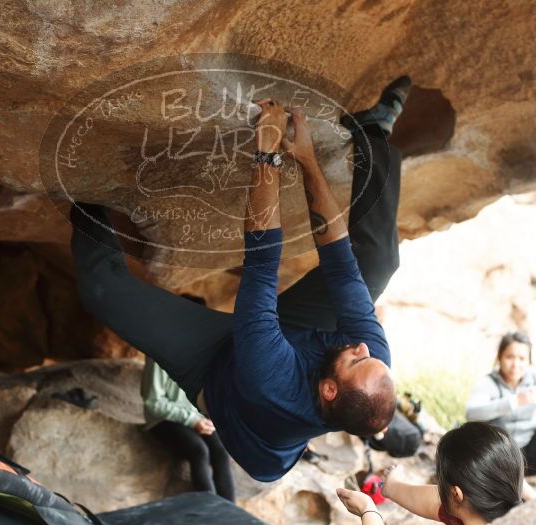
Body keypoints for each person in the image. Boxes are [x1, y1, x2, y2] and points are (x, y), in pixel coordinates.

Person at [71, 77, 411, 482]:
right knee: (377, 262)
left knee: (101, 289)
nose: (360, 345)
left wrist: (267, 153)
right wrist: (306, 160)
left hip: (217, 370)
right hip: (297, 343)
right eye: (366, 355)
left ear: (330, 391)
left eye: (357, 358)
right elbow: (340, 263)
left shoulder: (270, 379)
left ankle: (82, 195)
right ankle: (371, 131)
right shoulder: (369, 362)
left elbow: (262, 263)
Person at [338, 422, 525, 525]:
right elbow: (435, 503)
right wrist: (392, 487)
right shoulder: (509, 512)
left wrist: (368, 511)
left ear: (456, 494)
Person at [141, 299, 235, 502]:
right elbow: (153, 402)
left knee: (220, 451)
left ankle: (232, 516)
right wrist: (192, 420)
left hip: (193, 418)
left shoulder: (201, 353)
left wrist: (204, 418)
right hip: (162, 420)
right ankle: (208, 513)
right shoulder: (160, 353)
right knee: (198, 450)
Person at [465, 332, 536, 487]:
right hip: (501, 459)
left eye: (522, 359)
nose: (515, 364)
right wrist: (515, 401)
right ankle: (523, 488)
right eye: (510, 357)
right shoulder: (488, 383)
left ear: (529, 361)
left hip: (534, 456)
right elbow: (471, 413)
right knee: (491, 420)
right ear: (500, 357)